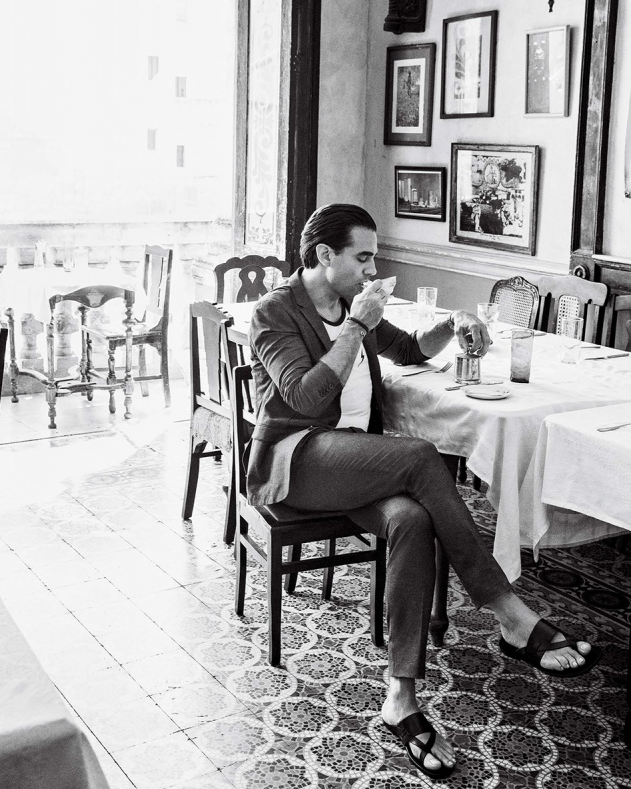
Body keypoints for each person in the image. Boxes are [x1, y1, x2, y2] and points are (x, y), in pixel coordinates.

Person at [247, 203, 600, 779]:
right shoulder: (275, 311)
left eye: (375, 258)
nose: (373, 270)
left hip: (356, 460)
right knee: (418, 456)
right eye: (363, 257)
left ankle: (400, 695)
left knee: (410, 519)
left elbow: (410, 350)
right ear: (324, 255)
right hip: (298, 459)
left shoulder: (349, 300)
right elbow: (307, 398)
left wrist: (453, 324)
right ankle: (506, 609)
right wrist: (356, 326)